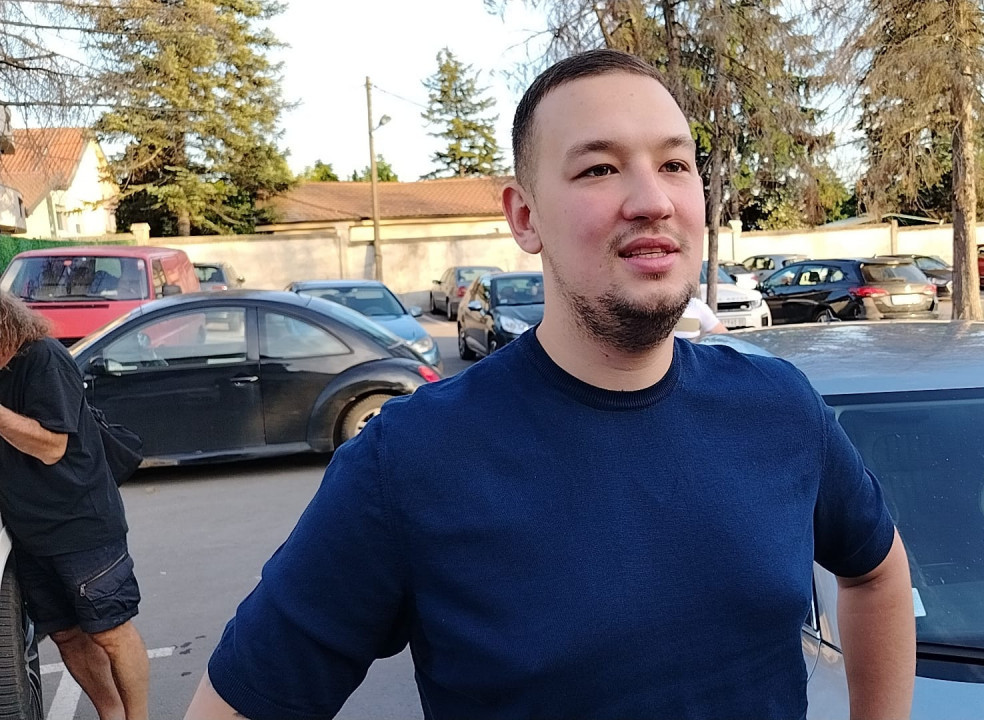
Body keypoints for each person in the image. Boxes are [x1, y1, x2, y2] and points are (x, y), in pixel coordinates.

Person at [186, 49, 914, 720]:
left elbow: (877, 575)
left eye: (674, 164)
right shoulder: (411, 460)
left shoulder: (779, 407)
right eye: (599, 169)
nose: (652, 200)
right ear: (525, 216)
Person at [0, 291, 150, 720]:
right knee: (67, 636)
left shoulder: (43, 359)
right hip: (29, 536)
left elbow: (52, 447)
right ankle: (111, 713)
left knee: (111, 632)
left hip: (82, 525)